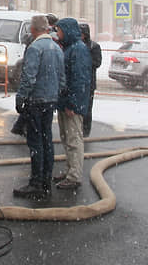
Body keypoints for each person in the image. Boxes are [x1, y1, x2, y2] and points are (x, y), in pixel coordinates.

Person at [13, 15, 63, 199]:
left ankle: (36, 183)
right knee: (47, 140)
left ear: (33, 29)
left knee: (35, 142)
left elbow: (29, 76)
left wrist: (21, 97)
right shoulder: (56, 48)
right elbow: (61, 76)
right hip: (50, 100)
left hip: (36, 101)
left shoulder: (35, 48)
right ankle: (46, 179)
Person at [53, 17, 90, 190]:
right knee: (67, 138)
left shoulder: (78, 50)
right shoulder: (70, 48)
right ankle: (70, 171)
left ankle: (74, 176)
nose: (57, 33)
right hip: (65, 102)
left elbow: (79, 79)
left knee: (74, 139)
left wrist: (73, 104)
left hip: (71, 105)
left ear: (67, 31)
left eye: (59, 30)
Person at [80, 23, 102, 138]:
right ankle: (79, 128)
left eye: (82, 34)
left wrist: (85, 62)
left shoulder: (94, 46)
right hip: (79, 81)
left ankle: (86, 130)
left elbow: (97, 63)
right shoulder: (76, 45)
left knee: (88, 108)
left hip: (89, 82)